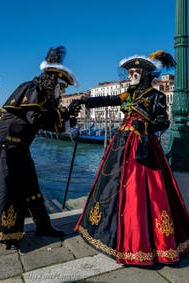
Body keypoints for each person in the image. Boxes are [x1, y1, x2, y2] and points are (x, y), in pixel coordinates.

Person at [74, 50, 189, 265]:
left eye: (134, 71)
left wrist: (145, 125)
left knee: (143, 191)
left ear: (145, 74)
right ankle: (112, 234)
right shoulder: (130, 94)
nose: (130, 75)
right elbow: (108, 99)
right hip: (120, 144)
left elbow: (164, 122)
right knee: (113, 186)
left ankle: (144, 243)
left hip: (143, 146)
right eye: (129, 72)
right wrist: (83, 102)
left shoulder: (157, 96)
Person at [0, 45, 80, 249]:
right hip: (9, 145)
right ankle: (8, 232)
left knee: (32, 186)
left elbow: (48, 122)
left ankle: (44, 225)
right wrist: (63, 113)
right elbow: (35, 118)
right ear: (53, 81)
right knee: (9, 187)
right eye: (61, 87)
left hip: (21, 147)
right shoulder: (32, 89)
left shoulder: (44, 98)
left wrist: (67, 115)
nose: (62, 92)